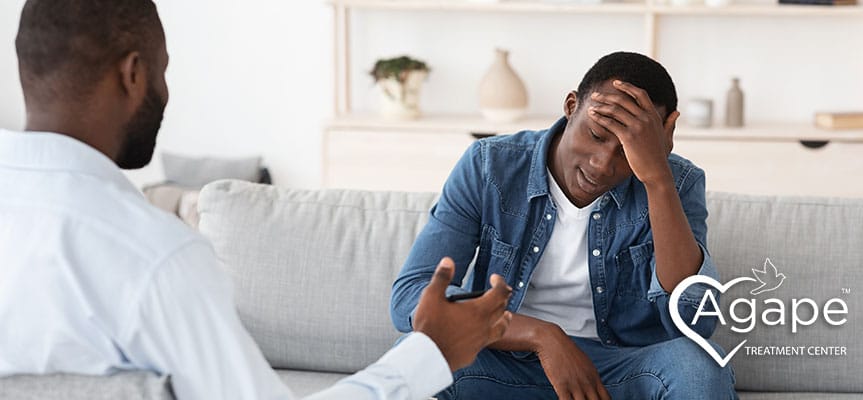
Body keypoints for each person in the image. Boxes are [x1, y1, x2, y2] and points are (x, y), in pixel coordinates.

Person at [0, 1, 512, 399]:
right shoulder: (153, 258)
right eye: (162, 70)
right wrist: (432, 353)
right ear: (133, 74)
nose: (164, 90)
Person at [390, 52, 737, 399]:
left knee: (700, 366)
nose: (602, 165)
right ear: (571, 106)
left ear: (666, 134)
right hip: (503, 360)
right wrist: (541, 336)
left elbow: (694, 322)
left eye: (628, 149)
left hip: (620, 370)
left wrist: (657, 178)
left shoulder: (677, 183)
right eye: (597, 135)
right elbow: (411, 297)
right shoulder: (490, 166)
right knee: (415, 357)